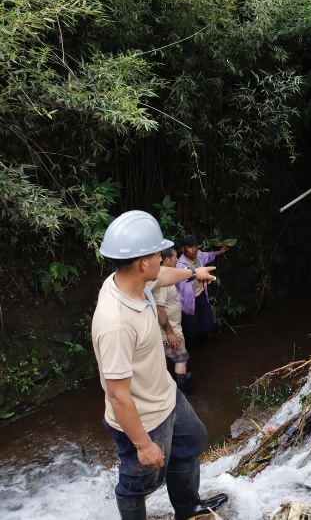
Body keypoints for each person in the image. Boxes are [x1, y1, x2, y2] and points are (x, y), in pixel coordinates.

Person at [93, 211, 228, 520]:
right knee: (137, 483)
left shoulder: (135, 282)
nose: (164, 259)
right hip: (141, 416)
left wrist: (195, 274)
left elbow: (163, 276)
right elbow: (117, 395)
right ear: (143, 262)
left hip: (166, 397)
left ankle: (187, 509)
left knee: (191, 441)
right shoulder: (115, 322)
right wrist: (142, 444)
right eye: (158, 254)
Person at [175, 235, 228, 349]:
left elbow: (209, 255)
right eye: (190, 247)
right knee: (191, 332)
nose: (194, 249)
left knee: (208, 325)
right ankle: (193, 353)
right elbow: (178, 289)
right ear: (183, 249)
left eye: (195, 246)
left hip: (201, 296)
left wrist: (220, 252)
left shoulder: (199, 256)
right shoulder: (180, 265)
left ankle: (202, 346)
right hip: (188, 303)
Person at [152, 247, 192, 396]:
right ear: (167, 260)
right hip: (170, 332)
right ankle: (184, 396)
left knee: (163, 364)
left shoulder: (163, 277)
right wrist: (170, 333)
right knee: (181, 360)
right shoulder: (163, 281)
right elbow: (159, 308)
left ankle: (168, 396)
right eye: (175, 257)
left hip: (166, 331)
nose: (177, 259)